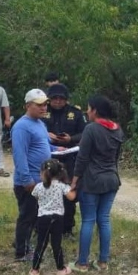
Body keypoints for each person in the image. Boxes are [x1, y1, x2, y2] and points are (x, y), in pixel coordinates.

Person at [71, 95, 126, 271]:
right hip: (111, 179)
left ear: (95, 110)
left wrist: (74, 181)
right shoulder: (118, 129)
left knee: (88, 220)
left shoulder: (91, 129)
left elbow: (82, 158)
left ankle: (83, 263)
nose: (87, 111)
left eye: (89, 108)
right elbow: (116, 158)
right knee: (104, 219)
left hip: (92, 180)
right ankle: (103, 262)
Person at [11, 89, 53, 263]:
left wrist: (58, 150)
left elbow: (43, 146)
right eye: (39, 105)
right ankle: (21, 252)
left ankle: (24, 244)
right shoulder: (22, 126)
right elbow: (19, 155)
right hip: (28, 181)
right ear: (28, 106)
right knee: (27, 216)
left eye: (45, 104)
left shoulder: (40, 123)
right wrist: (26, 180)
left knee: (35, 215)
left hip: (41, 179)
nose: (44, 108)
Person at [43, 83, 87, 237]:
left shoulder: (75, 113)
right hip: (48, 157)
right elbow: (35, 129)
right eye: (54, 98)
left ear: (66, 100)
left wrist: (70, 139)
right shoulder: (42, 111)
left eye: (61, 98)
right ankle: (44, 226)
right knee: (46, 191)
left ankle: (67, 228)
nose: (57, 101)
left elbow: (84, 133)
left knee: (68, 195)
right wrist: (47, 134)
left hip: (69, 158)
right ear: (49, 99)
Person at [30, 159, 76, 275]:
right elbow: (71, 197)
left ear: (43, 173)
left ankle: (35, 270)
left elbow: (34, 196)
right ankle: (60, 268)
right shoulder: (61, 186)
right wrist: (74, 187)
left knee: (41, 243)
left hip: (42, 219)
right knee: (56, 244)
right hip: (57, 218)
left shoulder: (38, 187)